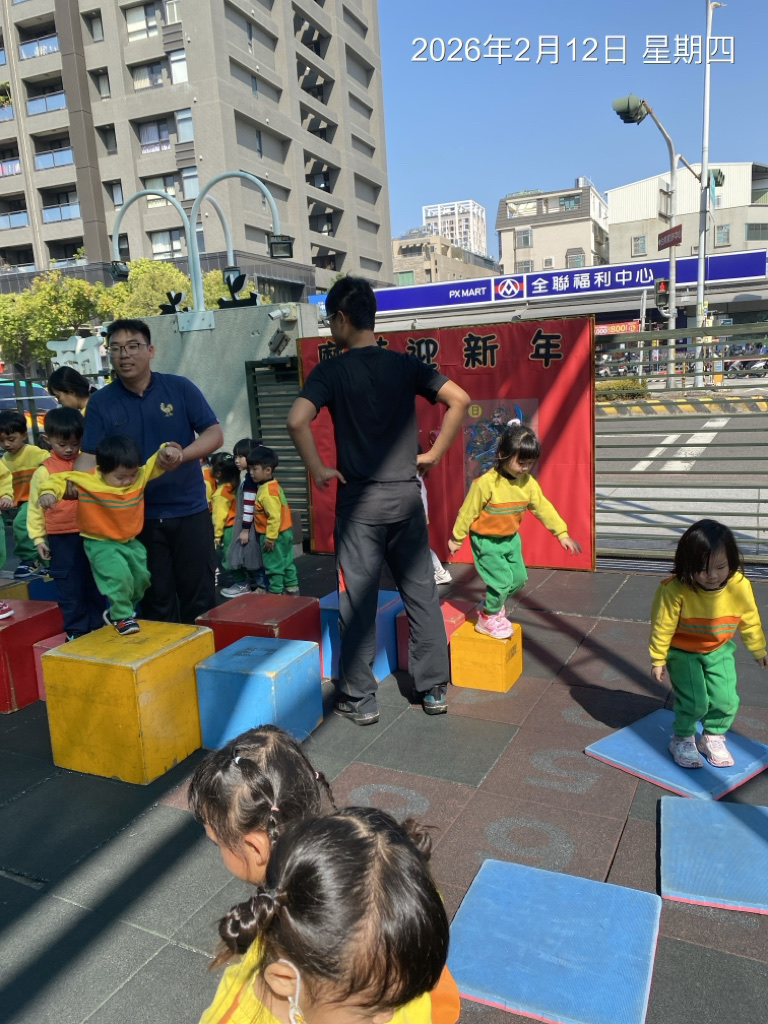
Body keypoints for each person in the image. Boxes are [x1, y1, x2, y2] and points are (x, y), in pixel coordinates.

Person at [287, 276, 470, 724]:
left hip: (359, 507)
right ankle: (433, 690)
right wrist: (433, 455)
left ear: (342, 318)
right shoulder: (404, 364)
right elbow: (459, 399)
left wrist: (319, 469)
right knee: (421, 593)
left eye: (330, 319)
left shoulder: (331, 371)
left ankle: (359, 698)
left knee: (358, 601)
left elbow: (296, 420)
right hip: (405, 499)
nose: (330, 327)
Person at [189, 725, 461, 1024]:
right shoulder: (393, 876)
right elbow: (439, 994)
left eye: (217, 843)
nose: (387, 1016)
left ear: (255, 847)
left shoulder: (245, 1001)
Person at [76, 318, 223, 624]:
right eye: (116, 348)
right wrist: (69, 484)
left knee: (200, 597)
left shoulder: (179, 388)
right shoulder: (101, 402)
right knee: (156, 600)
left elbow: (214, 434)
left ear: (150, 350)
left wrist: (182, 455)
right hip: (136, 517)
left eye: (133, 346)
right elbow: (89, 456)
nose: (124, 355)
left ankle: (206, 652)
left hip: (189, 510)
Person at [649, 519, 768, 769]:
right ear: (687, 564)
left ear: (732, 561)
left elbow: (749, 619)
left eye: (721, 567)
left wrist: (758, 648)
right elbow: (663, 626)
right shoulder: (675, 590)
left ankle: (712, 736)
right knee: (695, 701)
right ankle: (682, 738)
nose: (712, 575)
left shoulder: (739, 586)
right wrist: (658, 658)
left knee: (727, 699)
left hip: (718, 648)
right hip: (683, 651)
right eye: (702, 569)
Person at [448, 422, 582, 640]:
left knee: (518, 579)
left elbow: (543, 507)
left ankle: (492, 604)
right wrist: (457, 538)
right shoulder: (486, 483)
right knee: (501, 582)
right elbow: (467, 512)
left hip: (510, 540)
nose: (525, 468)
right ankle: (487, 617)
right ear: (503, 454)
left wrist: (561, 533)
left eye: (530, 463)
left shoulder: (528, 483)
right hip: (486, 541)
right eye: (521, 462)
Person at [39, 434, 168, 636]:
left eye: (132, 475)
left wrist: (167, 448)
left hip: (129, 541)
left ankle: (124, 609)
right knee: (119, 577)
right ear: (102, 470)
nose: (128, 481)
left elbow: (155, 463)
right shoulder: (89, 480)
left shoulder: (138, 476)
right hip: (100, 543)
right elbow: (59, 479)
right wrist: (48, 492)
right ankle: (121, 615)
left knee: (141, 579)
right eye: (120, 477)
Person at [27, 408, 105, 638]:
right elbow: (34, 507)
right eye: (62, 444)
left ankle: (98, 625)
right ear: (47, 439)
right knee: (69, 585)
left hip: (92, 533)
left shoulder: (89, 463)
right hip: (61, 537)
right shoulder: (45, 471)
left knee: (95, 581)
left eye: (75, 443)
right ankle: (76, 630)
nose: (69, 449)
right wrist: (38, 538)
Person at [0, 410, 48, 580]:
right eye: (1, 440)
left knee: (22, 523)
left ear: (24, 435)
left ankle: (29, 559)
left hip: (38, 498)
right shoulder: (4, 460)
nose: (6, 444)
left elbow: (52, 468)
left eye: (11, 439)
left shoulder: (35, 453)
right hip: (21, 503)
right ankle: (47, 564)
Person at [248, 445, 299, 595]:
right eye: (250, 469)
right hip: (285, 531)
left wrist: (270, 538)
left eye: (255, 469)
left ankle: (275, 593)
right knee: (287, 561)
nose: (251, 473)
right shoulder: (273, 485)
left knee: (273, 565)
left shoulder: (267, 493)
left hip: (273, 535)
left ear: (268, 470)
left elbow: (274, 517)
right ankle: (292, 589)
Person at [220, 439, 268, 599]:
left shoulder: (250, 482)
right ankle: (256, 584)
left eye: (241, 456)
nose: (236, 460)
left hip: (250, 527)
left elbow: (249, 508)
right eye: (235, 456)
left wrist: (245, 530)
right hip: (250, 525)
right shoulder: (250, 478)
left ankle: (262, 587)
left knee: (254, 557)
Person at [417, 446, 451, 586]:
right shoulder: (417, 475)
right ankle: (437, 572)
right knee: (418, 546)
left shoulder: (413, 476)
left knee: (420, 546)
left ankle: (440, 572)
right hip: (418, 514)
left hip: (415, 515)